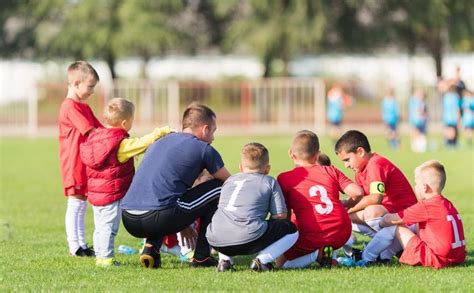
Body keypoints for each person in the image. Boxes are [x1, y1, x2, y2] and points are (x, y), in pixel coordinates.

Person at [120, 103, 231, 269]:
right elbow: (230, 182)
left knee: (162, 199)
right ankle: (201, 257)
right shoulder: (203, 149)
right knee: (219, 188)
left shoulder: (159, 142)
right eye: (213, 131)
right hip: (160, 215)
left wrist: (183, 222)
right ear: (205, 128)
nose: (213, 137)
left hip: (129, 217)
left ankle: (151, 249)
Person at [79, 98, 173, 267]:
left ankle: (100, 257)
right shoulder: (119, 144)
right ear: (124, 123)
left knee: (100, 226)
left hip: (96, 193)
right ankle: (106, 259)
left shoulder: (97, 138)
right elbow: (141, 144)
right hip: (111, 194)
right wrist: (160, 132)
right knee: (109, 227)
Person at [275, 130, 363, 269]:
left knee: (279, 264)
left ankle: (317, 256)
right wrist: (347, 203)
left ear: (291, 154)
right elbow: (358, 192)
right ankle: (329, 256)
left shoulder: (284, 178)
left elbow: (285, 214)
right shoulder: (330, 170)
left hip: (312, 234)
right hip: (342, 232)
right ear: (317, 154)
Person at [355, 160, 466, 269]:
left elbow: (391, 220)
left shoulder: (427, 205)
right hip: (456, 258)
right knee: (411, 225)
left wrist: (381, 222)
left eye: (416, 184)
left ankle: (366, 257)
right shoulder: (446, 203)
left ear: (424, 187)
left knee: (395, 227)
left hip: (435, 259)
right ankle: (383, 257)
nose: (415, 187)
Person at [206, 143, 299, 272]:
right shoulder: (269, 181)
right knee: (292, 230)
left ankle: (224, 261)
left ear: (240, 167)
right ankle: (262, 261)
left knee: (226, 220)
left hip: (215, 240)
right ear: (267, 169)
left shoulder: (229, 180)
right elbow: (280, 216)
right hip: (248, 236)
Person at [334, 130, 417, 262]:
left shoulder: (375, 164)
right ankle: (385, 247)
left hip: (407, 216)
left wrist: (349, 209)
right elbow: (361, 199)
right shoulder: (360, 171)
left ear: (360, 151)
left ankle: (397, 243)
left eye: (347, 159)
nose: (346, 165)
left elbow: (375, 198)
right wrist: (343, 204)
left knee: (371, 212)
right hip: (390, 213)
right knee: (346, 217)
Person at [58, 61, 103, 257]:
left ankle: (82, 245)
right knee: (75, 203)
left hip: (84, 163)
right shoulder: (70, 107)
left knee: (82, 203)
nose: (92, 91)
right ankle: (74, 246)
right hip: (73, 163)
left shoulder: (84, 107)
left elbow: (100, 129)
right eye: (90, 87)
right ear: (76, 84)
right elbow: (91, 131)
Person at [408, 88, 428, 153]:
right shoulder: (414, 101)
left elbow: (423, 111)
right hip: (416, 120)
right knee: (415, 132)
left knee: (419, 133)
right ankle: (415, 146)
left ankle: (419, 147)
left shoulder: (421, 102)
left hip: (420, 120)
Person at [442, 83, 461, 148]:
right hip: (453, 117)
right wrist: (458, 117)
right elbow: (457, 108)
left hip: (446, 116)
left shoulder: (446, 96)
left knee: (448, 129)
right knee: (452, 130)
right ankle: (451, 143)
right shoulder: (455, 97)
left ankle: (448, 143)